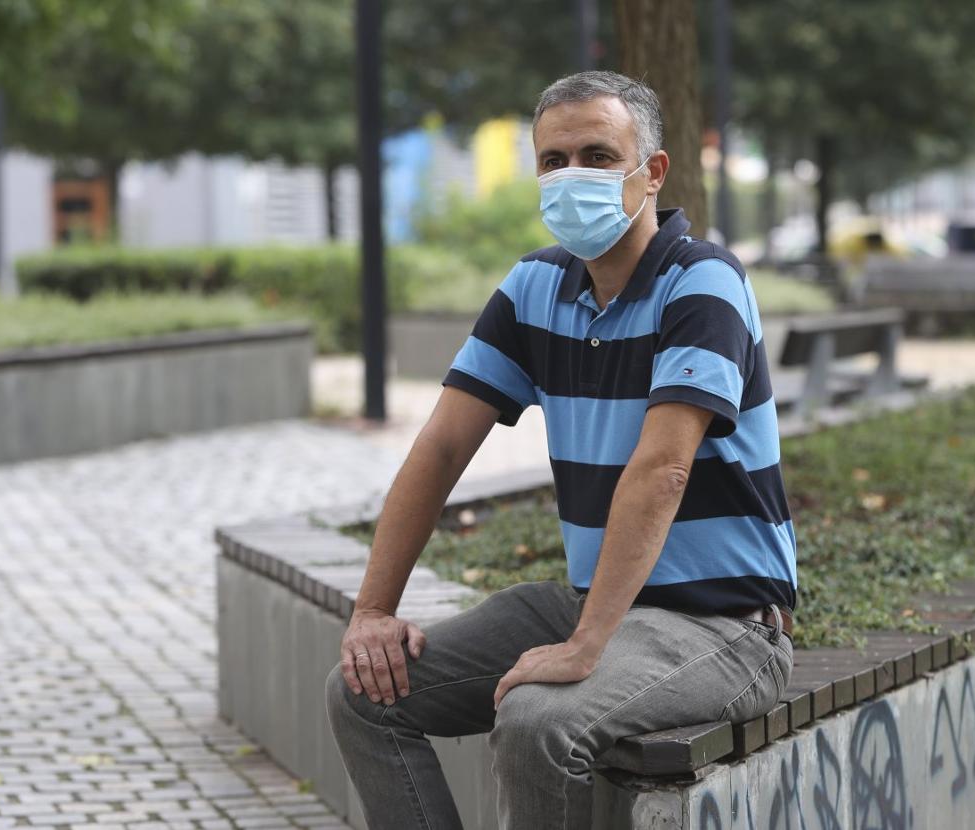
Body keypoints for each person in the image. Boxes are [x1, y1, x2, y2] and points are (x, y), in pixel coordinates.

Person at [324, 70, 798, 830]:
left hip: (723, 627)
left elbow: (664, 468)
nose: (573, 175)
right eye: (554, 160)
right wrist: (373, 612)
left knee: (539, 722)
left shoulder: (703, 283)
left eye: (598, 156)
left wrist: (587, 645)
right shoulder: (534, 287)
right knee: (365, 693)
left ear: (653, 171)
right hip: (591, 603)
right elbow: (442, 447)